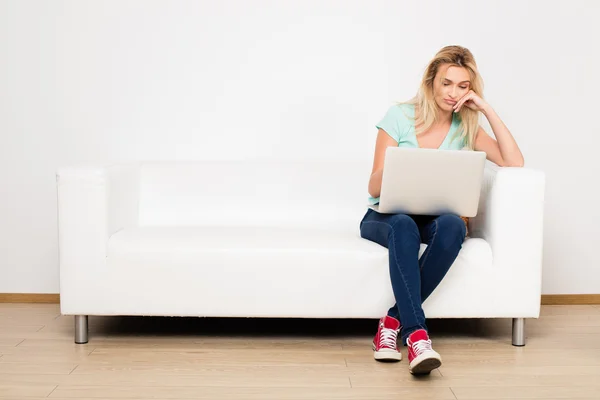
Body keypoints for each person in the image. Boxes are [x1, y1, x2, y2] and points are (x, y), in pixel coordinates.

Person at [359, 45, 524, 375]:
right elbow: (373, 186)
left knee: (453, 226)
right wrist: (405, 168)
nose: (453, 93)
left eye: (463, 86)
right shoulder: (399, 117)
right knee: (403, 224)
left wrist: (486, 109)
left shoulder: (467, 126)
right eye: (447, 83)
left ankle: (391, 321)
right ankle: (417, 336)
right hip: (385, 217)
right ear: (431, 81)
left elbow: (514, 162)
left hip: (432, 218)